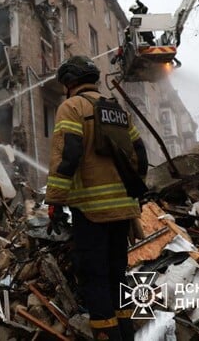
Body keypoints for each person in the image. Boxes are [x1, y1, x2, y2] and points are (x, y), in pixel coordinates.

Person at [45, 56, 148, 341]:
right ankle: (126, 333)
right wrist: (134, 196)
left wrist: (54, 200)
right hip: (123, 210)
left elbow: (69, 154)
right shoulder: (116, 109)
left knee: (94, 275)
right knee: (117, 272)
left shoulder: (71, 107)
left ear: (69, 83)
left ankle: (106, 335)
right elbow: (140, 155)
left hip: (91, 211)